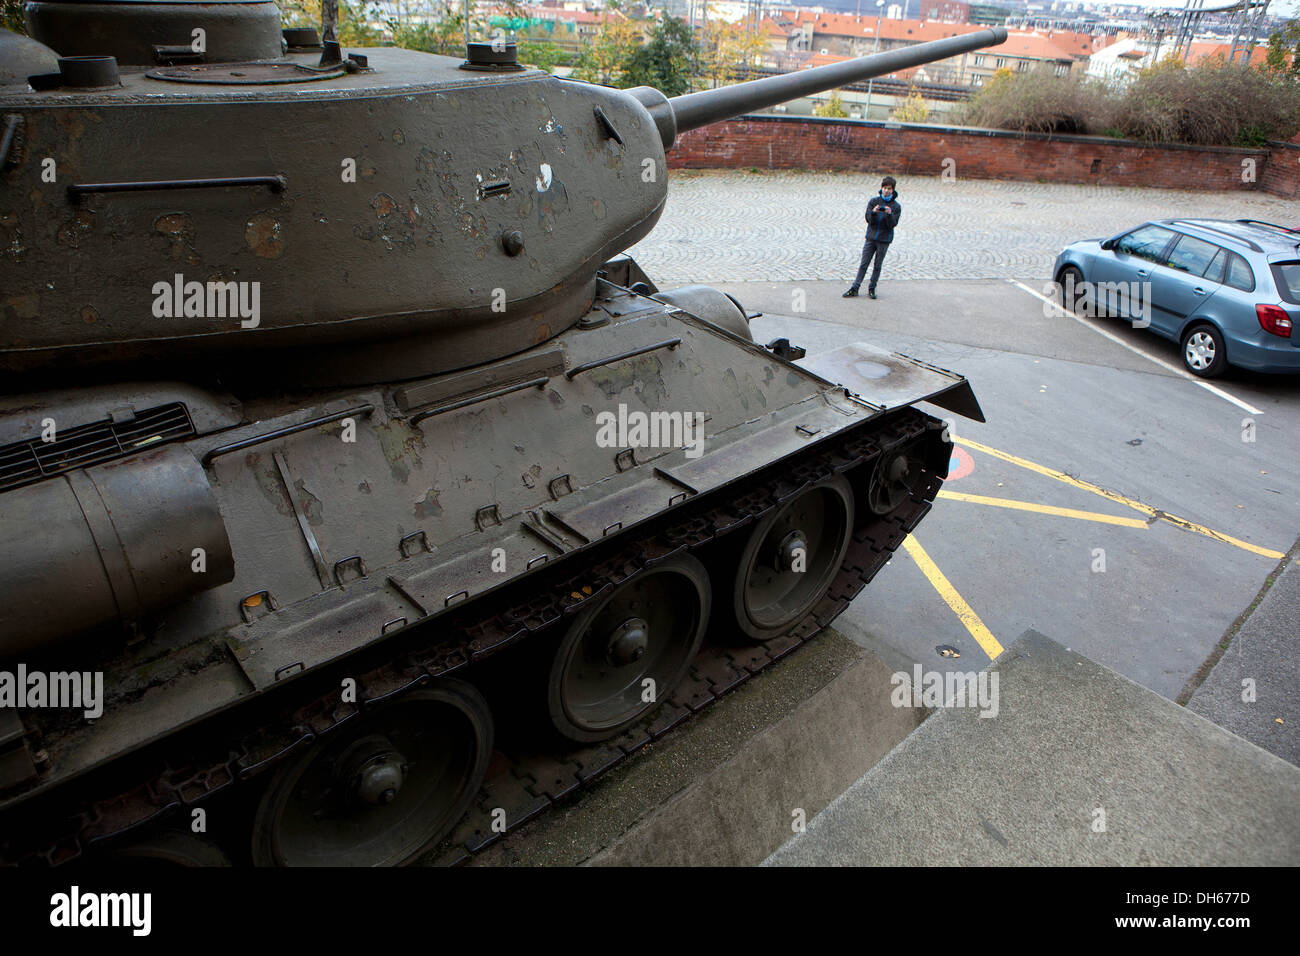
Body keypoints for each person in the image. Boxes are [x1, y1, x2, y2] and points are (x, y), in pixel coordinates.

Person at [844, 176, 901, 299]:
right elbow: (868, 219)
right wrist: (874, 213)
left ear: (893, 190)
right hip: (871, 238)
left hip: (884, 240)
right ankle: (855, 287)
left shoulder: (896, 207)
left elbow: (892, 224)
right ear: (881, 188)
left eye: (889, 189)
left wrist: (889, 214)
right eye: (885, 188)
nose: (886, 191)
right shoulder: (873, 201)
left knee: (877, 266)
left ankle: (872, 288)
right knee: (863, 264)